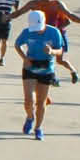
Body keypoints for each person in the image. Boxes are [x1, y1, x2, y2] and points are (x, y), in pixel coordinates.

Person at [11, 0, 80, 83]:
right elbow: (19, 12)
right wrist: (8, 17)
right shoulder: (34, 4)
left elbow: (70, 16)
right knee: (45, 56)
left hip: (56, 35)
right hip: (40, 35)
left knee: (59, 60)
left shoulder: (57, 4)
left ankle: (72, 71)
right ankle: (52, 77)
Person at [13, 10, 66, 140]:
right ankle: (30, 117)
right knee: (28, 100)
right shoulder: (27, 32)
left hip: (46, 69)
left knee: (41, 102)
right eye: (35, 29)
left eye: (39, 28)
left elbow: (60, 51)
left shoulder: (54, 32)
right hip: (30, 67)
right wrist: (24, 58)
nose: (37, 31)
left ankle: (38, 128)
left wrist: (52, 51)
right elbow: (17, 44)